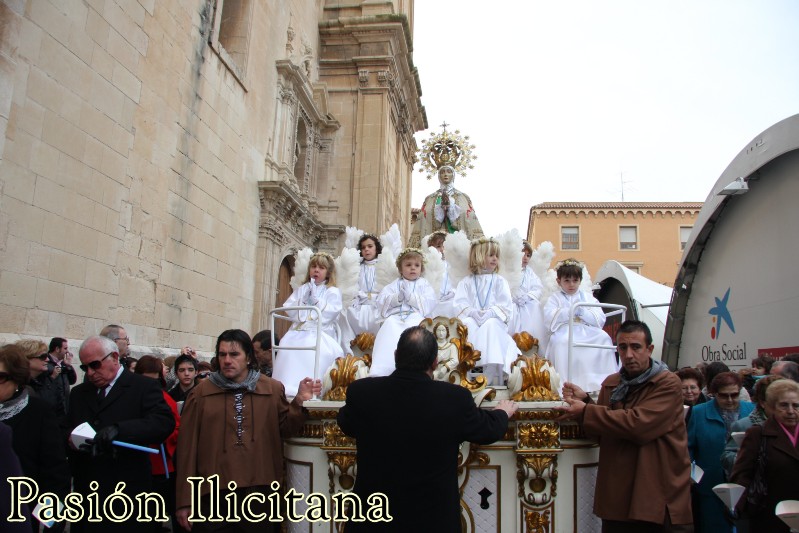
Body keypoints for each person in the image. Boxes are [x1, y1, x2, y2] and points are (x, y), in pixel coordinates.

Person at [337, 326, 517, 532]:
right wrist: (503, 412)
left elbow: (345, 422)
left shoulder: (363, 393)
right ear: (435, 362)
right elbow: (487, 430)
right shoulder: (454, 399)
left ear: (396, 356)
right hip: (432, 522)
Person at [175, 329, 321, 532]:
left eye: (234, 354)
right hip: (214, 496)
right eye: (222, 354)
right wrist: (185, 501)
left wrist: (299, 401)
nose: (227, 360)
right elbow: (186, 450)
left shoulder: (271, 389)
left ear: (248, 358)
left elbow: (285, 429)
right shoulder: (201, 394)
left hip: (260, 494)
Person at [556, 320, 693, 532]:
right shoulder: (612, 383)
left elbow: (638, 425)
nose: (628, 355)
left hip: (655, 497)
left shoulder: (668, 383)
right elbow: (603, 431)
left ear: (650, 349)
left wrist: (586, 411)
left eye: (636, 347)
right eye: (622, 347)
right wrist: (586, 404)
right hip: (617, 500)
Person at [67, 335, 176, 532]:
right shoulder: (79, 394)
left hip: (128, 496)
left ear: (115, 357)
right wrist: (73, 440)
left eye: (95, 365)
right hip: (87, 496)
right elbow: (67, 428)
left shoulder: (142, 387)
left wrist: (120, 430)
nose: (90, 373)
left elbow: (163, 423)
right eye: (85, 367)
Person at [0, 344, 71, 532]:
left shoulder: (38, 413)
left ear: (16, 379)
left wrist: (48, 523)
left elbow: (55, 475)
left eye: (0, 377)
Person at [687, 372, 754, 533]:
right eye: (724, 396)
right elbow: (687, 447)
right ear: (714, 394)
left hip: (745, 483)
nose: (730, 400)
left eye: (734, 395)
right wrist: (692, 474)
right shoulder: (698, 412)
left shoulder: (752, 410)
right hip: (711, 482)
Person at [731, 379, 799, 532]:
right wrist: (736, 505)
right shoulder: (758, 434)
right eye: (783, 405)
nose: (790, 411)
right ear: (771, 407)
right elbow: (742, 474)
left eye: (796, 405)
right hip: (769, 515)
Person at [272, 251, 344, 397]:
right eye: (313, 266)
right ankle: (284, 387)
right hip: (300, 329)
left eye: (321, 268)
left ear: (328, 272)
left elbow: (332, 312)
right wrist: (304, 299)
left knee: (314, 347)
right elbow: (290, 307)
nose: (316, 270)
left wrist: (317, 300)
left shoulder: (333, 291)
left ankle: (312, 390)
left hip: (320, 330)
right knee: (287, 341)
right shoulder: (303, 289)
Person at [544, 258, 617, 393]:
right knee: (561, 342)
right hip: (565, 329)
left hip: (586, 329)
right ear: (558, 281)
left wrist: (582, 312)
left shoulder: (588, 297)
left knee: (604, 338)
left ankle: (602, 383)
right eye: (567, 280)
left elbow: (599, 318)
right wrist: (569, 312)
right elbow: (549, 317)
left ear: (580, 280)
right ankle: (564, 385)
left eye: (575, 280)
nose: (571, 284)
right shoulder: (555, 298)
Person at [453, 237, 518, 386]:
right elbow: (459, 303)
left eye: (497, 256)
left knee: (491, 325)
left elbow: (506, 305)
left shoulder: (500, 281)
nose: (495, 259)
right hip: (473, 318)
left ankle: (491, 371)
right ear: (479, 256)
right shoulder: (466, 282)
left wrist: (491, 312)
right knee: (467, 324)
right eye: (491, 255)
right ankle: (470, 370)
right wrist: (472, 312)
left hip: (494, 321)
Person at [370, 248, 437, 376]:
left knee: (418, 327)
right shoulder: (394, 285)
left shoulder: (424, 284)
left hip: (415, 317)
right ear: (400, 269)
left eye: (416, 265)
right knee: (389, 324)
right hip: (396, 318)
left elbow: (430, 302)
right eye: (408, 265)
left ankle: (418, 365)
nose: (413, 268)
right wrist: (397, 298)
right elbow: (381, 302)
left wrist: (411, 298)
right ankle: (384, 369)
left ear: (421, 269)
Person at [134, 355, 182, 532]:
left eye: (154, 380)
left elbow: (176, 428)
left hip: (160, 466)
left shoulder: (164, 399)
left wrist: (159, 434)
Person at [721, 374, 782, 478]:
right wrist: (745, 456)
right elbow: (726, 458)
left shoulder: (793, 424)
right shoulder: (744, 425)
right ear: (763, 403)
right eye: (776, 402)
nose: (782, 407)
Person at [408, 165, 484, 247]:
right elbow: (424, 217)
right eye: (442, 172)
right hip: (435, 244)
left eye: (449, 171)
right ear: (439, 176)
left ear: (453, 175)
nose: (445, 174)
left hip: (457, 244)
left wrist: (451, 210)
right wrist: (439, 211)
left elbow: (468, 216)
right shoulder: (430, 198)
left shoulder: (463, 197)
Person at [508, 241, 548, 354]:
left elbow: (538, 288)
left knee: (535, 307)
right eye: (523, 254)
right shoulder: (509, 270)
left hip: (527, 305)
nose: (525, 258)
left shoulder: (530, 273)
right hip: (512, 304)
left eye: (528, 255)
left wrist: (527, 296)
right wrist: (513, 296)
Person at [345, 233, 386, 337]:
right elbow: (351, 284)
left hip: (378, 304)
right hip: (359, 303)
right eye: (363, 247)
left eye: (370, 246)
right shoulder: (357, 267)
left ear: (376, 248)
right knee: (345, 313)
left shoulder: (383, 265)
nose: (366, 249)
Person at [427, 231, 457, 318]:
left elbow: (457, 280)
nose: (442, 249)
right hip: (434, 299)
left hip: (450, 299)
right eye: (438, 246)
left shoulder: (453, 263)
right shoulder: (428, 264)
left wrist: (453, 292)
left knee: (453, 306)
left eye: (444, 246)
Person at [47, 336, 77, 415]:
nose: (67, 352)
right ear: (57, 349)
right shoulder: (46, 363)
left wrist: (68, 366)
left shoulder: (64, 363)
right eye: (65, 348)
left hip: (64, 408)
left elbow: (72, 380)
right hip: (52, 409)